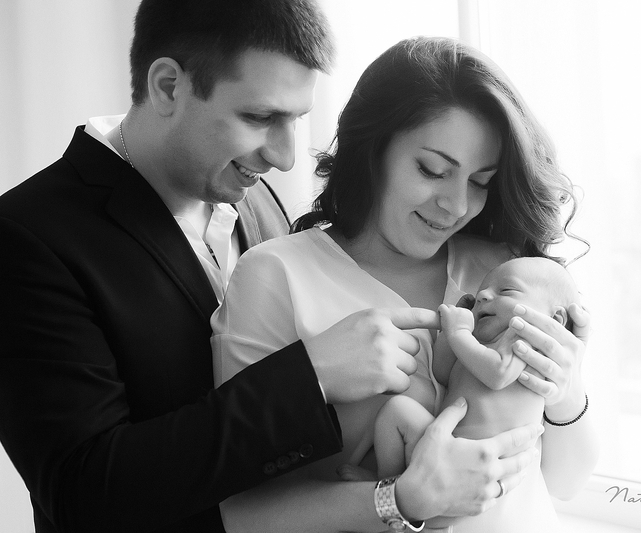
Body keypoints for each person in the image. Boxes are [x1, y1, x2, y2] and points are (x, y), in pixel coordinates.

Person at [0, 3, 533, 533]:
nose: (285, 157)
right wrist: (310, 376)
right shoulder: (28, 235)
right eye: (260, 118)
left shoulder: (254, 199)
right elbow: (81, 493)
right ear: (167, 86)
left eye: (297, 119)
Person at [212, 37, 598, 532]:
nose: (457, 206)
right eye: (432, 170)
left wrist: (566, 390)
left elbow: (564, 482)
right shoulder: (276, 277)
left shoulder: (506, 275)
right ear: (373, 150)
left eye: (480, 181)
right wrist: (397, 501)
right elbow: (242, 515)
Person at [374, 256, 585, 531]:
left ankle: (404, 503)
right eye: (478, 297)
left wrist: (459, 333)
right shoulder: (477, 345)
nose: (483, 296)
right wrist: (452, 333)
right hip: (440, 453)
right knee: (397, 411)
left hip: (489, 473)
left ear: (554, 319)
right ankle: (389, 484)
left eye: (506, 290)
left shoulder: (527, 341)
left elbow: (499, 375)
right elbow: (441, 372)